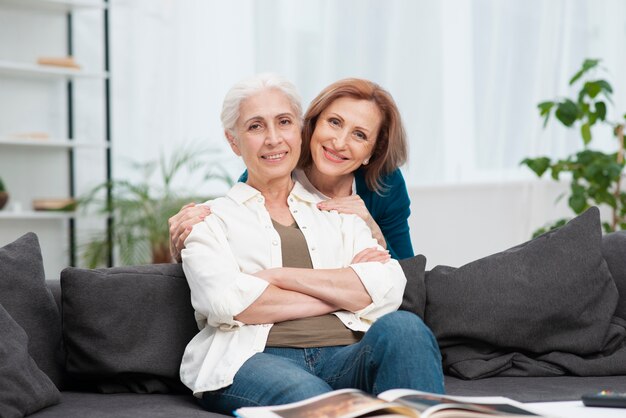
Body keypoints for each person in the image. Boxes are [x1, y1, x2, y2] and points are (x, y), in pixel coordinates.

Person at [180, 73, 444, 415]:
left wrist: (275, 278)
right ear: (234, 142)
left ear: (297, 130)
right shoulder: (211, 218)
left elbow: (389, 287)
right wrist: (342, 291)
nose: (273, 139)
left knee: (406, 329)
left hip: (346, 353)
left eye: (284, 122)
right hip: (255, 358)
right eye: (256, 127)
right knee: (322, 401)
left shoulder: (344, 212)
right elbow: (225, 302)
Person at [169, 78, 413, 261]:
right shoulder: (275, 168)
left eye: (359, 135)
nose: (339, 143)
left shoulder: (385, 184)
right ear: (312, 124)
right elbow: (236, 245)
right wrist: (190, 241)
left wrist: (373, 230)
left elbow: (408, 281)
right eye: (334, 122)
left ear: (373, 151)